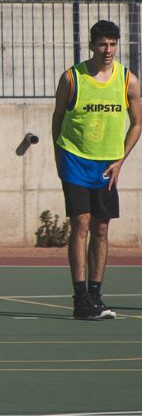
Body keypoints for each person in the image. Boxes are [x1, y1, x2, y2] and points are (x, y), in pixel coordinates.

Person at [52, 20, 142, 320]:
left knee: (101, 229)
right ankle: (79, 298)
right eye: (103, 44)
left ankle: (96, 295)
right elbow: (58, 117)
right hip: (75, 159)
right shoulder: (72, 78)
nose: (108, 50)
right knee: (80, 224)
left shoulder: (127, 80)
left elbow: (137, 123)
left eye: (113, 44)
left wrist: (120, 160)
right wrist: (59, 154)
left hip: (107, 165)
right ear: (91, 45)